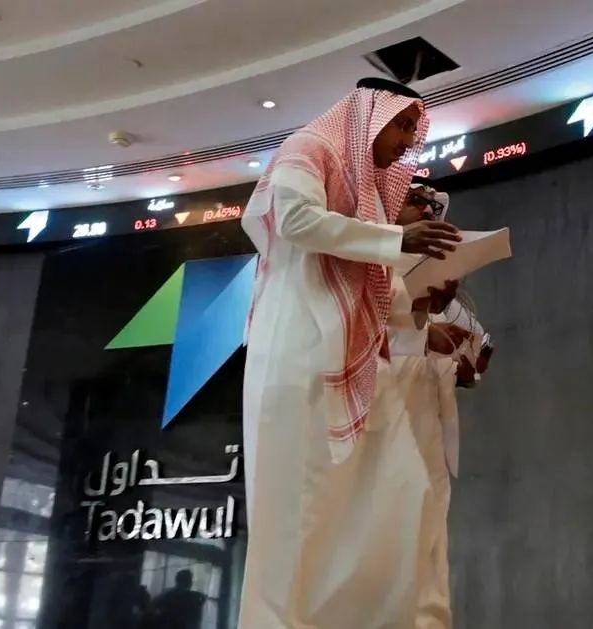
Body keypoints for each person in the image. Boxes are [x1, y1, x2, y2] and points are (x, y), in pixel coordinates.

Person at [238, 78, 463, 629]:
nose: (407, 142)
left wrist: (421, 310)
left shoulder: (370, 198)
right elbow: (295, 220)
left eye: (413, 129)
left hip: (358, 365)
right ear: (369, 116)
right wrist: (395, 239)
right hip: (299, 353)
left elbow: (373, 291)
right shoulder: (310, 147)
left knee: (404, 496)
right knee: (298, 515)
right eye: (402, 125)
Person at [391, 183, 493, 629]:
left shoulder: (446, 290)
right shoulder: (364, 270)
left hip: (425, 435)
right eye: (416, 200)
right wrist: (418, 330)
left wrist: (444, 316)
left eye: (435, 206)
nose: (428, 210)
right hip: (371, 432)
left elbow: (475, 367)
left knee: (424, 560)